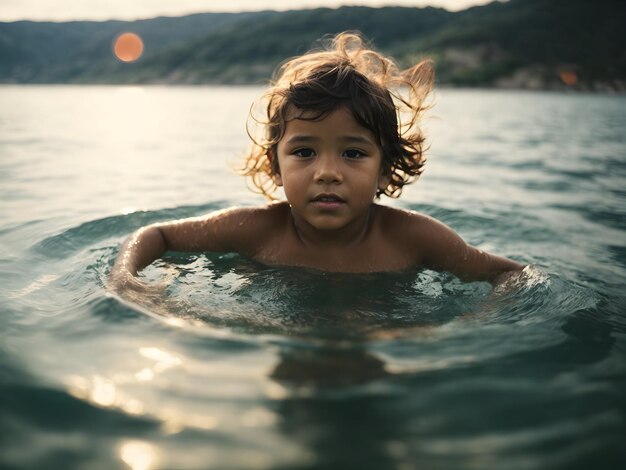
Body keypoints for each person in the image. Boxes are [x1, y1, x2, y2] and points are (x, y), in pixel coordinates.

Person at [108, 32, 525, 294]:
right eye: (304, 152)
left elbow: (511, 274)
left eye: (353, 153)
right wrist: (126, 279)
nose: (327, 171)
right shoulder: (255, 230)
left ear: (384, 168)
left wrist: (473, 326)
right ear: (275, 165)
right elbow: (156, 235)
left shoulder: (415, 238)